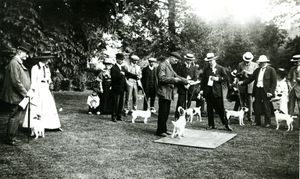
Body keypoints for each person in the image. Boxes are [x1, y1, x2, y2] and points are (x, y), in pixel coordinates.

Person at [1, 42, 33, 145]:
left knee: (16, 116)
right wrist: (26, 93)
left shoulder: (17, 62)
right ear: (20, 52)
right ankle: (10, 138)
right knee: (14, 116)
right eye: (26, 53)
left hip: (18, 95)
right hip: (14, 95)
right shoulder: (14, 63)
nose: (27, 56)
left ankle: (12, 137)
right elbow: (16, 82)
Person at [22, 51, 62, 130]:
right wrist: (34, 91)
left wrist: (50, 83)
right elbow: (33, 81)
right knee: (37, 106)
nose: (49, 60)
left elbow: (48, 77)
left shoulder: (47, 67)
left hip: (46, 88)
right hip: (38, 88)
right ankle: (33, 125)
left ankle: (51, 125)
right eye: (48, 58)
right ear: (43, 58)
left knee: (48, 105)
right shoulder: (35, 67)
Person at [156, 52, 189, 137]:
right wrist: (174, 80)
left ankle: (164, 129)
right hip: (163, 92)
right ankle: (160, 131)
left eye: (177, 60)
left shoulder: (169, 65)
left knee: (166, 112)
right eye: (175, 60)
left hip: (168, 93)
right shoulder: (162, 65)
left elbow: (176, 75)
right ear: (170, 57)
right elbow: (161, 78)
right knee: (162, 112)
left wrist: (185, 80)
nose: (176, 62)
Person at [239, 55, 277, 127]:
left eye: (261, 62)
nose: (260, 64)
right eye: (259, 62)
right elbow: (251, 78)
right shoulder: (257, 70)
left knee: (267, 107)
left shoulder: (271, 70)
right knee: (256, 106)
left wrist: (271, 92)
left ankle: (267, 123)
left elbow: (274, 83)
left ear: (265, 62)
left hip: (266, 91)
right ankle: (257, 121)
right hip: (257, 90)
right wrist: (243, 83)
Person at [200, 53, 232, 131]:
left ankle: (226, 124)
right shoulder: (206, 69)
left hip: (217, 92)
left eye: (211, 60)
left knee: (220, 109)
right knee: (209, 109)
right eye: (209, 61)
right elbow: (203, 81)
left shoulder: (220, 68)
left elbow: (226, 78)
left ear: (214, 60)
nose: (210, 62)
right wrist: (201, 90)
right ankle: (211, 125)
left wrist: (217, 79)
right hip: (208, 92)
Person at [110, 53, 138, 122]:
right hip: (116, 88)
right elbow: (114, 78)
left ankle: (119, 116)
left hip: (122, 88)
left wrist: (136, 76)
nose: (122, 61)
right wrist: (120, 75)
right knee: (115, 103)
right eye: (120, 60)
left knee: (121, 103)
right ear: (117, 60)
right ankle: (114, 116)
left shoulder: (122, 68)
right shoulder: (113, 68)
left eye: (122, 60)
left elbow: (128, 73)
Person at [174, 53, 199, 119]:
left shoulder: (194, 68)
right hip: (182, 87)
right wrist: (184, 84)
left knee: (188, 102)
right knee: (180, 102)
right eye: (188, 60)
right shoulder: (181, 67)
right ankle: (177, 115)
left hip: (190, 87)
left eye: (191, 60)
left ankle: (185, 116)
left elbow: (195, 78)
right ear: (186, 60)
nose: (189, 61)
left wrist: (189, 84)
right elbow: (178, 77)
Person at [236, 52, 258, 122]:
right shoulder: (240, 64)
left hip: (250, 85)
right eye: (246, 60)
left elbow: (255, 75)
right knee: (242, 101)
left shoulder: (255, 65)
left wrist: (247, 72)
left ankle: (250, 116)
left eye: (248, 61)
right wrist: (240, 73)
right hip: (242, 85)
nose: (247, 62)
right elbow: (237, 75)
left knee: (250, 101)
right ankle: (242, 116)